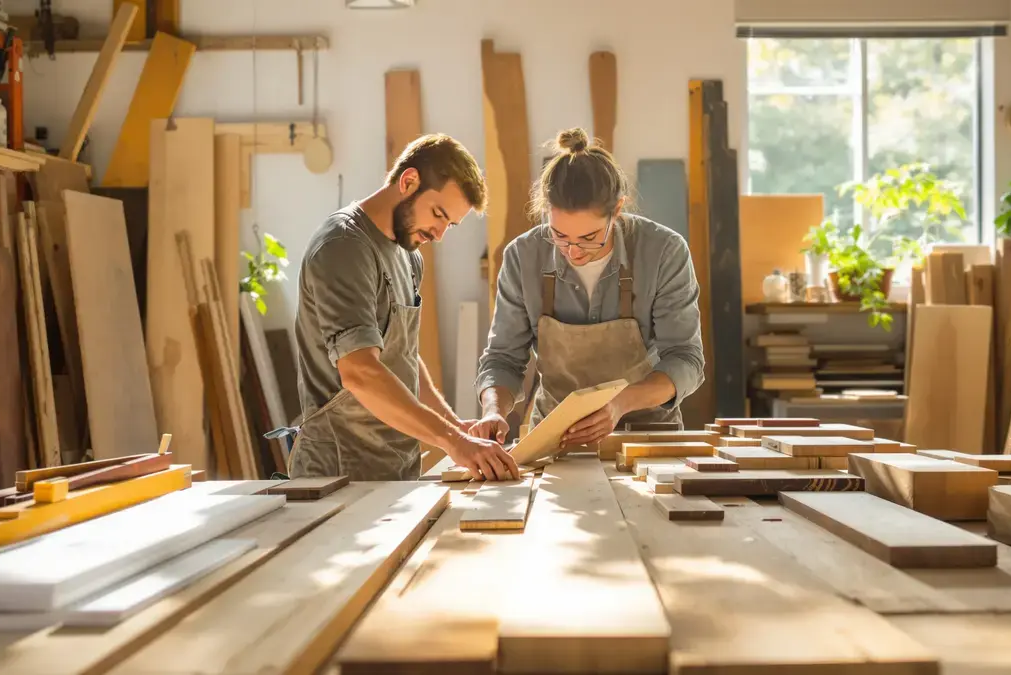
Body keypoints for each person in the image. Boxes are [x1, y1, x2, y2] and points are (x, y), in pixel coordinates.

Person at [290, 134, 520, 482]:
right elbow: (360, 372)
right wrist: (455, 441)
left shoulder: (408, 255)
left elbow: (404, 358)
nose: (439, 234)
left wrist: (457, 427)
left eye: (450, 224)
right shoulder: (343, 247)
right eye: (438, 214)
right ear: (408, 181)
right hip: (336, 473)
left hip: (394, 469)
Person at [471, 128, 705, 449]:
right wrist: (494, 412)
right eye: (559, 235)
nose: (574, 251)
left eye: (589, 237)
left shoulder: (663, 251)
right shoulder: (523, 256)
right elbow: (503, 359)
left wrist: (620, 404)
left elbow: (685, 358)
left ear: (618, 210)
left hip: (646, 436)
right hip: (557, 436)